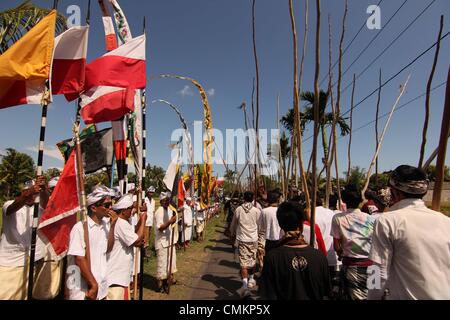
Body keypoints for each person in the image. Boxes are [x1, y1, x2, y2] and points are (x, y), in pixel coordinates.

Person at [368, 165, 450, 300]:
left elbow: (377, 270)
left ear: (394, 191)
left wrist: (371, 298)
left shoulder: (387, 221)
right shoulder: (446, 221)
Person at [259, 201, 331, 300]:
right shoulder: (319, 257)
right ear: (301, 225)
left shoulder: (272, 258)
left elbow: (268, 294)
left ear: (280, 225)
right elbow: (325, 293)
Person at [0, 177, 52, 300]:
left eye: (34, 193)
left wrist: (43, 189)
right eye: (27, 191)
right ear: (22, 192)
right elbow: (12, 208)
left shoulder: (38, 209)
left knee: (24, 295)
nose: (31, 195)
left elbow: (48, 204)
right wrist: (29, 193)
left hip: (31, 260)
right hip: (10, 262)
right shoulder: (9, 204)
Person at [66, 185, 117, 300]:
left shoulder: (105, 226)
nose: (111, 208)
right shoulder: (80, 228)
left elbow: (108, 249)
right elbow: (79, 258)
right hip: (82, 287)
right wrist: (93, 284)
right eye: (107, 205)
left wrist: (112, 226)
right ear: (94, 208)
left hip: (100, 283)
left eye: (111, 204)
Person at [331, 183, 375, 300]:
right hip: (374, 266)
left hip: (353, 266)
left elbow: (337, 246)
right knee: (374, 296)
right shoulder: (371, 219)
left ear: (344, 201)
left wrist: (341, 253)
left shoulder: (338, 218)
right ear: (360, 200)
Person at [106, 194, 147, 300]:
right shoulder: (121, 224)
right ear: (124, 210)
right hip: (116, 277)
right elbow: (137, 240)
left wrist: (141, 220)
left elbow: (134, 234)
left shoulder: (123, 223)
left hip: (120, 275)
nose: (132, 210)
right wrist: (143, 220)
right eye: (130, 208)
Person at [229, 191, 263, 293]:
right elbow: (260, 226)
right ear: (252, 199)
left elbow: (233, 224)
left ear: (244, 198)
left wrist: (232, 234)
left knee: (243, 264)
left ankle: (245, 285)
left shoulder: (239, 209)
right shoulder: (257, 211)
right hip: (253, 239)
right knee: (252, 261)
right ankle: (251, 279)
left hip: (242, 240)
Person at [154, 192, 178, 293]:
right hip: (162, 242)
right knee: (162, 264)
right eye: (165, 200)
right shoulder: (159, 211)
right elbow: (160, 228)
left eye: (168, 200)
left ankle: (168, 281)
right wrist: (170, 222)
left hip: (169, 240)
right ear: (161, 202)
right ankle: (160, 285)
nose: (167, 202)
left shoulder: (169, 210)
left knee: (169, 263)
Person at [144, 186, 156, 258]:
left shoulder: (154, 201)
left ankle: (146, 250)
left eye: (152, 192)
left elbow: (152, 211)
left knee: (148, 236)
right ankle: (145, 252)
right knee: (145, 237)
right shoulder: (144, 200)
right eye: (150, 192)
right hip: (145, 221)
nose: (151, 194)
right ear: (147, 193)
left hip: (150, 221)